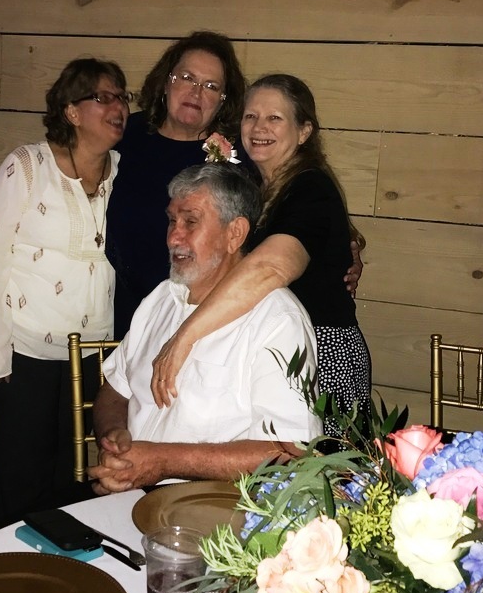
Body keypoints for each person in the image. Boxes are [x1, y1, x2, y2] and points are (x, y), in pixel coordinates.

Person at [151, 74, 371, 433]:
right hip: (276, 347)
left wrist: (185, 336)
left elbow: (270, 267)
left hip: (320, 355)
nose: (259, 127)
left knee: (313, 465)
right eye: (251, 116)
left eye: (275, 118)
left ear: (304, 132)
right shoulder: (258, 185)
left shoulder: (311, 187)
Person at [0, 58, 131, 525]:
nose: (118, 107)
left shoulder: (125, 172)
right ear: (71, 111)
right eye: (103, 97)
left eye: (122, 97)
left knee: (76, 484)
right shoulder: (27, 166)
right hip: (24, 355)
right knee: (24, 487)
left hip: (94, 356)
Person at [89, 164, 320, 494]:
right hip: (130, 497)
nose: (173, 237)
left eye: (191, 222)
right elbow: (115, 390)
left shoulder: (276, 320)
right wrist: (114, 438)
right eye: (172, 220)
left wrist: (162, 463)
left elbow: (290, 451)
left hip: (218, 511)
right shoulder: (162, 299)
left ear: (235, 234)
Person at [105, 30, 248, 340]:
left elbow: (284, 199)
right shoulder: (126, 134)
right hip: (120, 310)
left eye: (211, 86)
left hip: (196, 317)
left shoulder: (236, 157)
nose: (196, 93)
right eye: (187, 78)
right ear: (166, 81)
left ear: (223, 101)